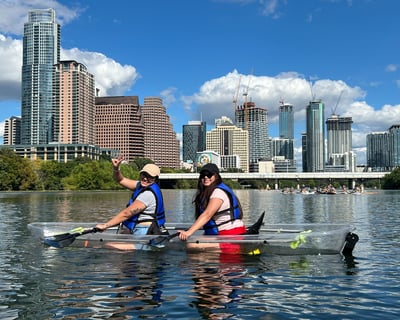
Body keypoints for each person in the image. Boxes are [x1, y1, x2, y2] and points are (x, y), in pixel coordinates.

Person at [96, 156, 168, 236]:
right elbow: (121, 180)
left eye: (150, 177)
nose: (145, 178)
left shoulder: (147, 195)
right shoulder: (140, 185)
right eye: (143, 174)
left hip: (145, 234)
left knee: (108, 246)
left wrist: (105, 226)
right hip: (140, 229)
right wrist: (116, 169)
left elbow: (126, 213)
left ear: (155, 179)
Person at [178, 163, 246, 241]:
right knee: (196, 241)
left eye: (209, 174)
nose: (206, 177)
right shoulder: (209, 192)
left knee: (192, 245)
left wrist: (188, 232)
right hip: (222, 234)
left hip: (231, 235)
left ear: (216, 176)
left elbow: (207, 214)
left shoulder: (218, 192)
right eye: (203, 175)